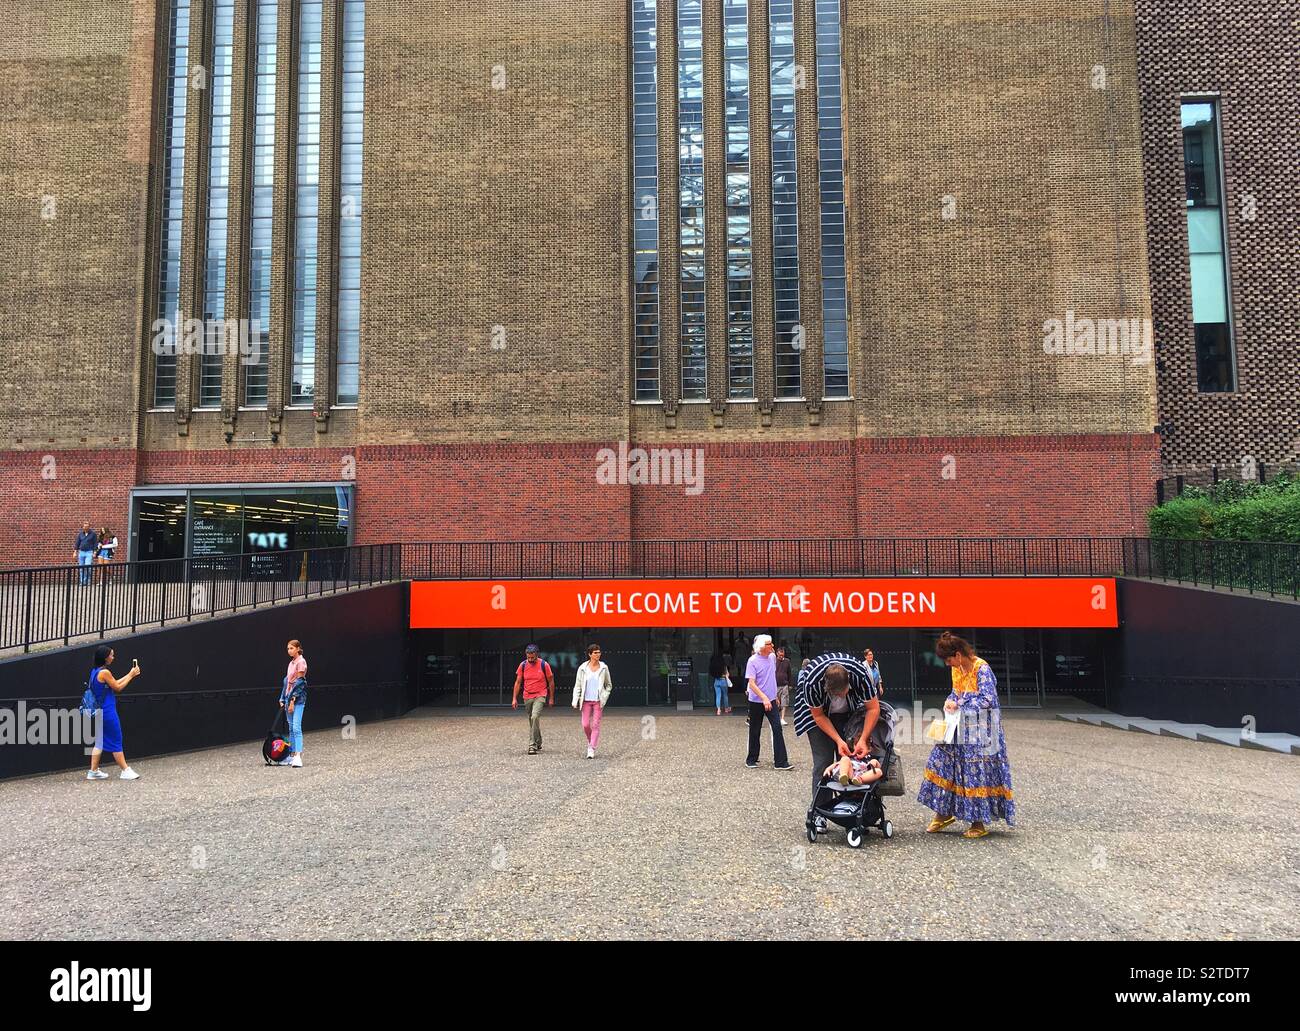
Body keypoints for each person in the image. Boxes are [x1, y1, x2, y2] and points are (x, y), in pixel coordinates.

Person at [917, 631, 1016, 839]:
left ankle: (978, 822)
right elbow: (956, 692)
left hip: (983, 731)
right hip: (959, 725)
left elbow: (988, 700)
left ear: (959, 655)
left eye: (949, 659)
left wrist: (960, 703)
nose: (947, 664)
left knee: (974, 771)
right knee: (942, 761)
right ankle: (943, 813)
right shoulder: (957, 669)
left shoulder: (982, 669)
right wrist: (949, 701)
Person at [793, 654, 880, 832]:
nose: (840, 696)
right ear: (827, 688)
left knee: (853, 761)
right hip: (818, 716)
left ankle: (851, 812)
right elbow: (817, 715)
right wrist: (838, 740)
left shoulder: (859, 674)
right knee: (823, 762)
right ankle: (820, 812)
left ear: (849, 681)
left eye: (844, 692)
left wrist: (863, 738)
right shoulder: (811, 681)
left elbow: (873, 708)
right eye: (836, 694)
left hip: (849, 713)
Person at [86, 644, 142, 780]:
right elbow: (117, 687)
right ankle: (125, 770)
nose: (113, 657)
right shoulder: (105, 672)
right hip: (107, 712)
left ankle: (93, 771)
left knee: (99, 741)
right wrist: (132, 675)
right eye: (111, 655)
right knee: (117, 739)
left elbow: (114, 683)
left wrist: (129, 674)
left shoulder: (95, 671)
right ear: (105, 658)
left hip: (99, 711)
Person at [744, 634, 793, 770]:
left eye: (771, 643)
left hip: (771, 700)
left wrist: (773, 696)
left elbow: (771, 678)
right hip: (756, 701)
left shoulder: (772, 658)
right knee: (755, 729)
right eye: (768, 644)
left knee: (777, 728)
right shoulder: (752, 661)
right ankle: (751, 759)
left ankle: (781, 762)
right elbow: (752, 683)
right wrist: (764, 697)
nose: (772, 646)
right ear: (760, 646)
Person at [571, 643, 613, 758]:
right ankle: (591, 741)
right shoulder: (583, 668)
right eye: (595, 653)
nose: (598, 654)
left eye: (599, 652)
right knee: (585, 724)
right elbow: (578, 685)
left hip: (598, 701)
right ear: (590, 654)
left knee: (595, 725)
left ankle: (591, 748)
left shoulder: (604, 667)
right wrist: (575, 700)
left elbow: (609, 685)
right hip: (585, 701)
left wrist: (605, 695)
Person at [511, 644, 554, 755]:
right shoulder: (523, 665)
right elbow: (518, 682)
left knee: (535, 716)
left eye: (532, 658)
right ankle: (538, 740)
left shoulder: (544, 665)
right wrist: (514, 698)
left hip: (540, 694)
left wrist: (551, 698)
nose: (530, 660)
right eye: (528, 657)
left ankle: (532, 745)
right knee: (532, 720)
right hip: (527, 695)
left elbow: (551, 681)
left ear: (537, 654)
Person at [279, 639, 308, 767]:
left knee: (296, 727)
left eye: (291, 648)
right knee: (291, 728)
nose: (289, 650)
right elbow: (287, 681)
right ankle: (291, 755)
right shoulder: (291, 663)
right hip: (288, 697)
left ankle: (298, 756)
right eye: (288, 648)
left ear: (298, 648)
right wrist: (282, 698)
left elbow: (300, 683)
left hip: (297, 699)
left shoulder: (301, 662)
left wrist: (291, 701)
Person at [708, 649, 732, 715]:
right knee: (725, 695)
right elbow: (727, 674)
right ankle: (726, 709)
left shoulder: (713, 666)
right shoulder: (724, 666)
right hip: (723, 681)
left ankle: (718, 710)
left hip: (716, 681)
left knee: (718, 695)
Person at [775, 643, 793, 726]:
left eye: (783, 655)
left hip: (784, 684)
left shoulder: (787, 661)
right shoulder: (773, 661)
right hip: (775, 685)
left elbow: (789, 673)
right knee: (776, 703)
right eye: (780, 655)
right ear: (777, 653)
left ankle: (782, 718)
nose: (781, 657)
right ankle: (776, 717)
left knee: (784, 702)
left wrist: (790, 684)